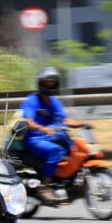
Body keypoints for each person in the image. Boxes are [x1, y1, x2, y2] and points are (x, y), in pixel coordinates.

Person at [20, 66, 92, 201]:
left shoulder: (55, 102)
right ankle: (45, 188)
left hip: (53, 137)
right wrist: (43, 129)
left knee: (77, 149)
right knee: (55, 151)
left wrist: (80, 124)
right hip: (35, 139)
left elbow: (65, 120)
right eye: (47, 83)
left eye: (53, 83)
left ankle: (71, 182)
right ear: (41, 83)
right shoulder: (31, 100)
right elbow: (28, 122)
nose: (50, 86)